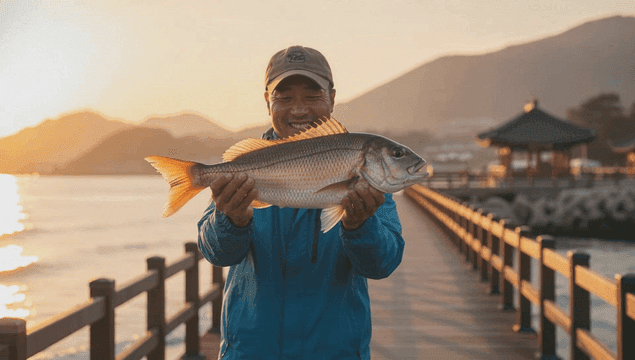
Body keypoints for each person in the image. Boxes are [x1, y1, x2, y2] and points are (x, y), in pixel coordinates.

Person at [198, 45, 405, 359]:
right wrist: (231, 220)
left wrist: (361, 226)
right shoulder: (249, 164)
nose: (298, 110)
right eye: (285, 98)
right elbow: (217, 253)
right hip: (252, 352)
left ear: (332, 98)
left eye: (312, 96)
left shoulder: (368, 173)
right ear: (267, 101)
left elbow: (381, 264)